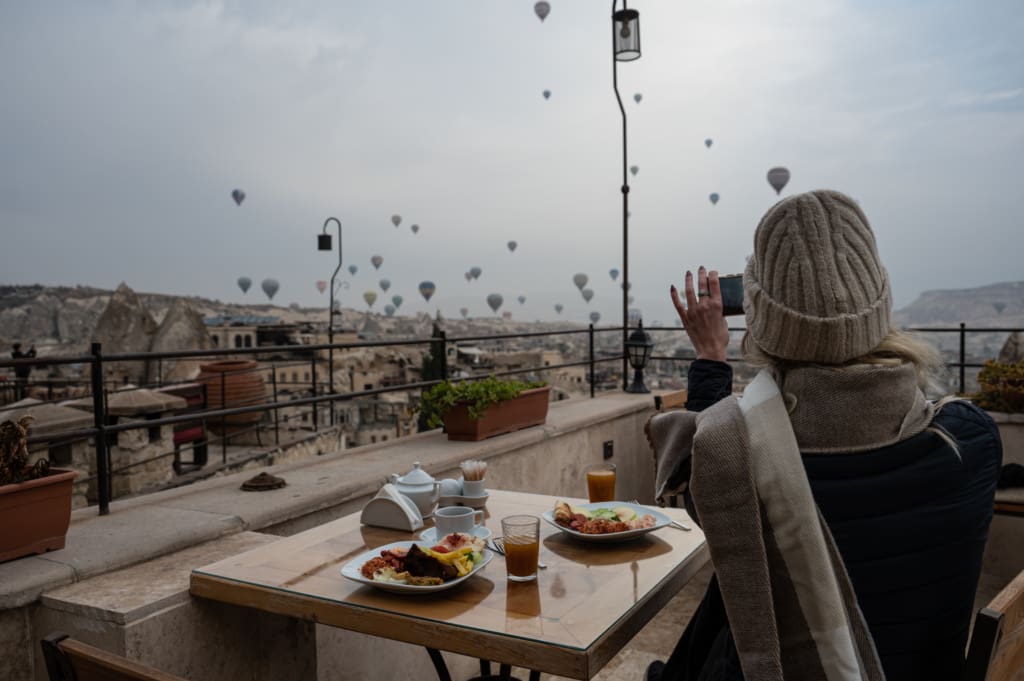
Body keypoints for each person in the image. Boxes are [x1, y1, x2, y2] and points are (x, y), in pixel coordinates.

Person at [647, 190, 1002, 681]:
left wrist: (711, 358)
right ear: (878, 300)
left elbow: (706, 469)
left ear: (762, 320)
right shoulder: (971, 441)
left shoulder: (736, 458)